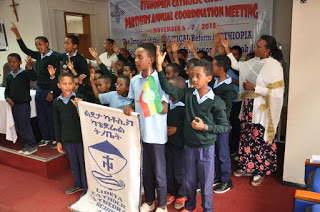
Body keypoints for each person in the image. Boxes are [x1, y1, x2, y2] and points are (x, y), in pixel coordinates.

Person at [156, 46, 229, 212]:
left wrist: (205, 127)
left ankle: (207, 208)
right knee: (189, 181)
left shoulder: (216, 102)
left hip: (206, 148)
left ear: (209, 78)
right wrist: (159, 67)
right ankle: (189, 206)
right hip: (189, 147)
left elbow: (224, 126)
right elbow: (168, 88)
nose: (194, 79)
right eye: (192, 76)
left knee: (205, 182)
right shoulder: (188, 94)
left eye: (198, 76)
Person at [221, 35, 284, 186]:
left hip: (262, 108)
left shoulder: (274, 65)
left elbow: (278, 91)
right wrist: (227, 48)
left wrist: (255, 88)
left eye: (259, 46)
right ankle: (248, 166)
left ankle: (260, 170)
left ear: (267, 50)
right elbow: (237, 66)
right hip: (249, 106)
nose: (255, 48)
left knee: (259, 137)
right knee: (248, 136)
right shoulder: (255, 62)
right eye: (256, 45)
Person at [123, 43, 169, 212]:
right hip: (139, 134)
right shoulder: (135, 80)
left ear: (151, 60)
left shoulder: (159, 80)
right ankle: (149, 201)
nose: (135, 60)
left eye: (139, 57)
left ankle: (162, 205)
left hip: (156, 135)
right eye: (135, 57)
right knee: (146, 172)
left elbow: (164, 109)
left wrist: (152, 94)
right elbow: (132, 103)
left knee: (159, 173)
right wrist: (129, 108)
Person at [11, 22, 60, 147]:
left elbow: (55, 75)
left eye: (40, 44)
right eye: (37, 45)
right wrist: (18, 35)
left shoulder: (53, 56)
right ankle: (46, 137)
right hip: (39, 89)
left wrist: (52, 91)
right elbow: (25, 49)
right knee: (41, 115)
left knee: (51, 115)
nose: (38, 47)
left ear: (47, 44)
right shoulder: (39, 56)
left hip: (50, 89)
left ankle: (55, 138)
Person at [53, 72, 88, 196]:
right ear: (59, 85)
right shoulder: (57, 102)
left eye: (70, 83)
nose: (67, 86)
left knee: (83, 164)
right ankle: (78, 184)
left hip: (80, 138)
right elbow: (57, 122)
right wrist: (59, 141)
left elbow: (88, 119)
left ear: (74, 84)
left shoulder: (80, 98)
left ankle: (86, 188)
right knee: (73, 164)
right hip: (67, 139)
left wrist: (80, 107)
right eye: (64, 84)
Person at [211, 55, 237, 194]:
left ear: (220, 69)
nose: (211, 68)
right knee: (215, 152)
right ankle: (219, 176)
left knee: (223, 152)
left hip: (221, 124)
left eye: (213, 66)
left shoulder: (228, 89)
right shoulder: (214, 82)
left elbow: (226, 111)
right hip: (212, 123)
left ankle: (227, 180)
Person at [5, 54, 38, 155]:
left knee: (25, 125)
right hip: (14, 105)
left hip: (23, 104)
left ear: (20, 63)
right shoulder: (9, 76)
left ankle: (32, 145)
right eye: (9, 62)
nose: (11, 64)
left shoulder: (24, 74)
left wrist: (29, 67)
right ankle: (26, 145)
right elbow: (7, 91)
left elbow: (34, 77)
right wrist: (7, 98)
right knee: (18, 125)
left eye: (14, 62)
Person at [165, 76, 187, 210]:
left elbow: (188, 126)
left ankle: (181, 194)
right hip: (167, 142)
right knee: (168, 168)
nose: (167, 91)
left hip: (180, 144)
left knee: (180, 170)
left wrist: (177, 130)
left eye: (170, 88)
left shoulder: (185, 107)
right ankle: (171, 191)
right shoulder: (166, 104)